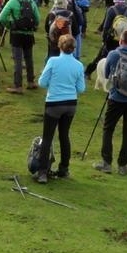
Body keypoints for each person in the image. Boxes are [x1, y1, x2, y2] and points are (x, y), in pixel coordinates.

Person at [34, 34, 86, 183]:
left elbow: (42, 82)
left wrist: (54, 84)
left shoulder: (53, 61)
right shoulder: (78, 65)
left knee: (48, 138)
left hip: (54, 103)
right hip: (70, 104)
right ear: (74, 48)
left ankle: (42, 172)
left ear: (59, 46)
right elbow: (81, 88)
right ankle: (64, 169)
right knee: (64, 135)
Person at [93, 30, 127, 175]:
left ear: (120, 41)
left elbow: (107, 73)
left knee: (108, 129)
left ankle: (106, 163)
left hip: (116, 98)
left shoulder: (114, 54)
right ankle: (123, 166)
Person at [0, 0, 40, 92]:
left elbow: (2, 17)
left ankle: (18, 86)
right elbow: (38, 18)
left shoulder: (12, 2)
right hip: (29, 35)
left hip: (16, 34)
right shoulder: (31, 1)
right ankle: (31, 82)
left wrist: (9, 25)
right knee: (29, 58)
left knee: (18, 60)